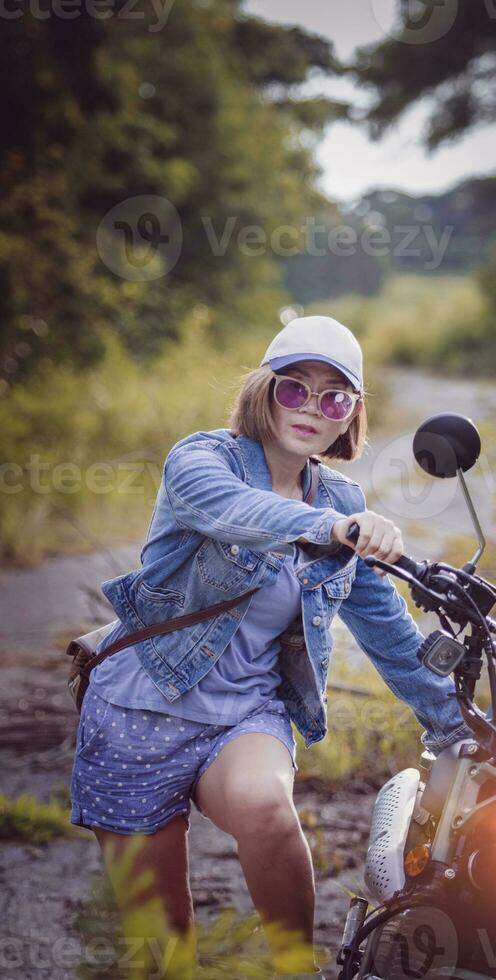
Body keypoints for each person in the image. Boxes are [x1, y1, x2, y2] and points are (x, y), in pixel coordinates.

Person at [69, 315, 471, 979]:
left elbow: (387, 628)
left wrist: (456, 725)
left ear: (351, 418)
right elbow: (240, 513)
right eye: (295, 389)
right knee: (163, 951)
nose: (313, 408)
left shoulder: (341, 494)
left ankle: (295, 968)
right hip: (141, 706)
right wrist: (334, 527)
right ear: (264, 390)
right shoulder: (201, 461)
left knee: (266, 807)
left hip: (244, 712)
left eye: (335, 397)